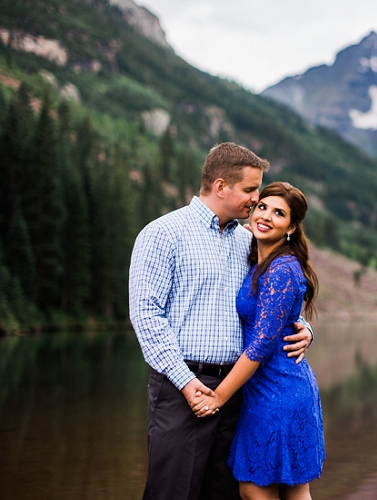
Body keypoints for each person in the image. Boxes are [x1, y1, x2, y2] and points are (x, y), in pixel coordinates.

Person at [129, 143, 314, 500]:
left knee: (226, 493)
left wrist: (305, 328)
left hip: (239, 390)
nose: (255, 200)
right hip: (183, 386)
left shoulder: (247, 241)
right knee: (173, 492)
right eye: (250, 191)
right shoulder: (164, 233)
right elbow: (146, 315)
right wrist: (186, 383)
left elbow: (275, 303)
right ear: (220, 186)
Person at [192, 182, 325, 500]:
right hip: (267, 389)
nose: (265, 215)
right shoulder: (260, 261)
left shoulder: (281, 269)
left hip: (279, 391)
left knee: (255, 489)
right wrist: (305, 327)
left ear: (291, 227)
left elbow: (261, 343)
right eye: (263, 206)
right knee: (291, 490)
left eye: (279, 213)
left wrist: (218, 397)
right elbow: (280, 319)